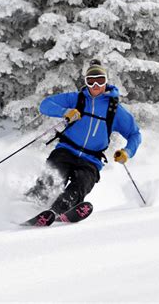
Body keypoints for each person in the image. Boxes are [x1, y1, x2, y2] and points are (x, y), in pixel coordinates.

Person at [26, 59, 142, 215]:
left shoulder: (114, 110)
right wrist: (64, 112)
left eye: (100, 81)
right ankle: (26, 209)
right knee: (50, 181)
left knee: (81, 184)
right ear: (86, 82)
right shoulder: (77, 99)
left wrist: (127, 152)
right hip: (66, 150)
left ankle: (60, 210)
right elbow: (45, 104)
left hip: (91, 159)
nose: (95, 86)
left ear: (106, 83)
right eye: (91, 81)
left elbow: (135, 134)